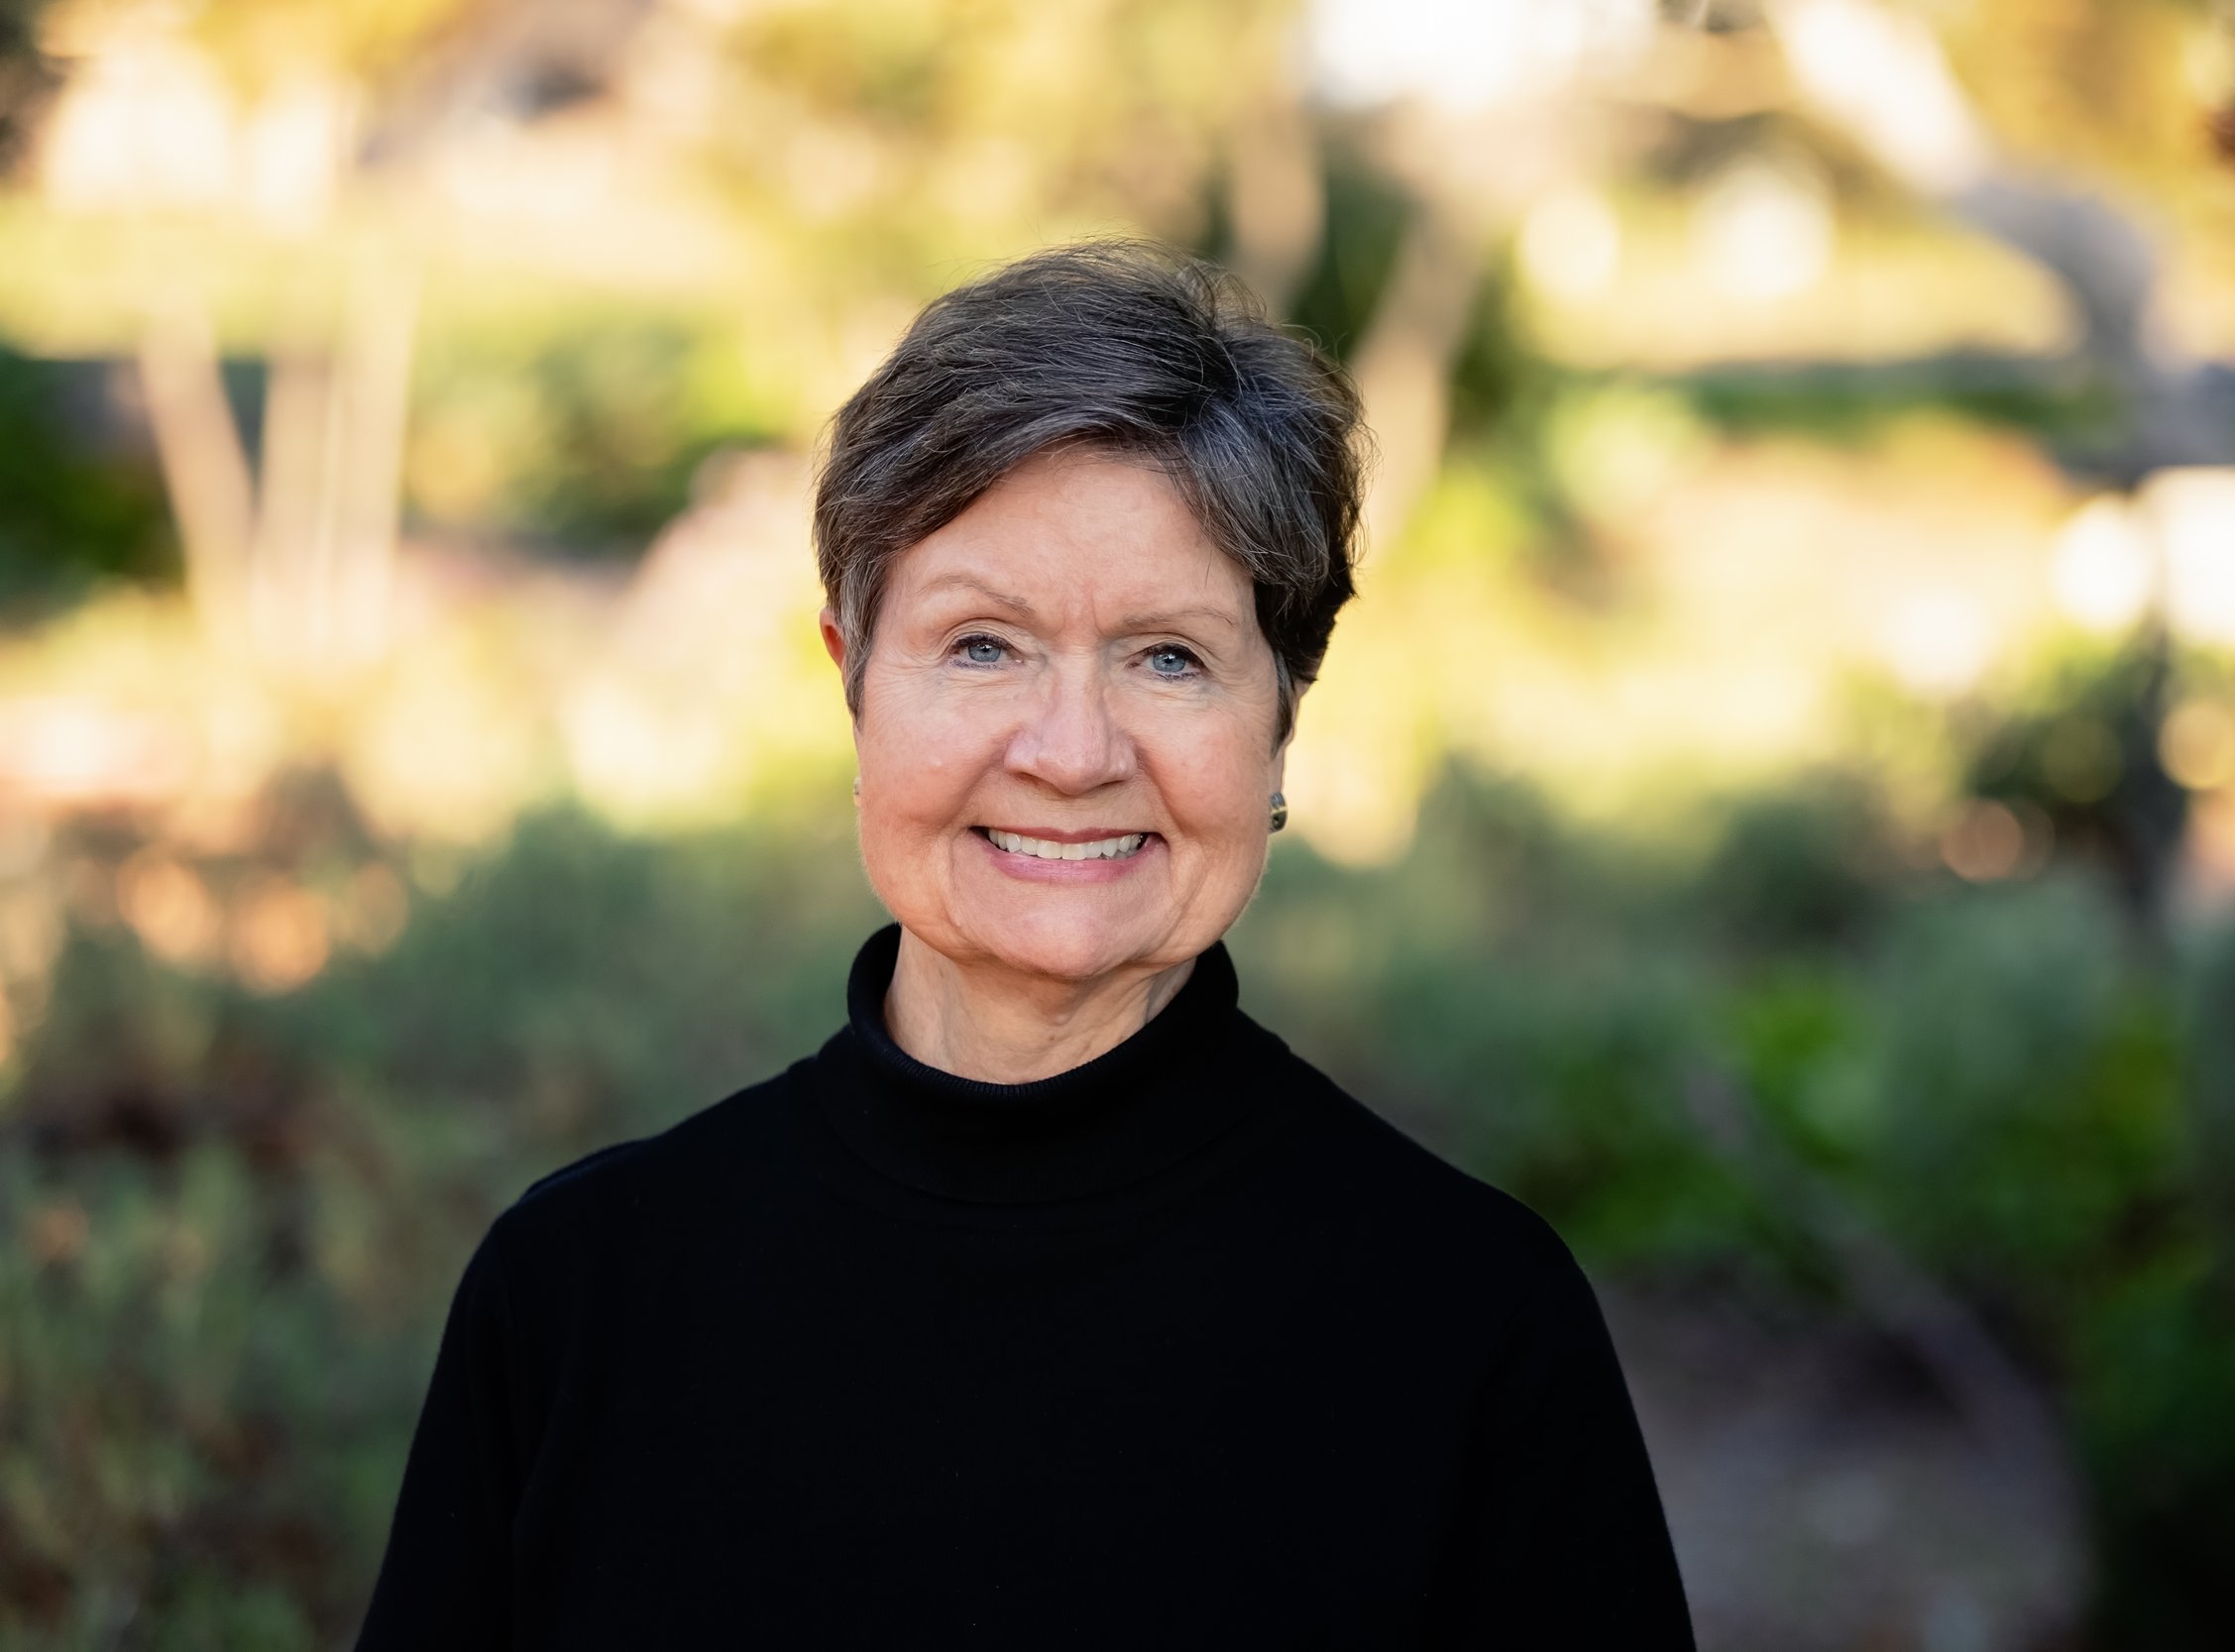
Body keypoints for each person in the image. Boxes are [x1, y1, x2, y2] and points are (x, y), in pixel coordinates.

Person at [355, 240, 1697, 1648]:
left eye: (1169, 656)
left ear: (1279, 720)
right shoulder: (579, 1296)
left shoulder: (1471, 1324)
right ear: (855, 686)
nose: (1071, 753)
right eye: (983, 645)